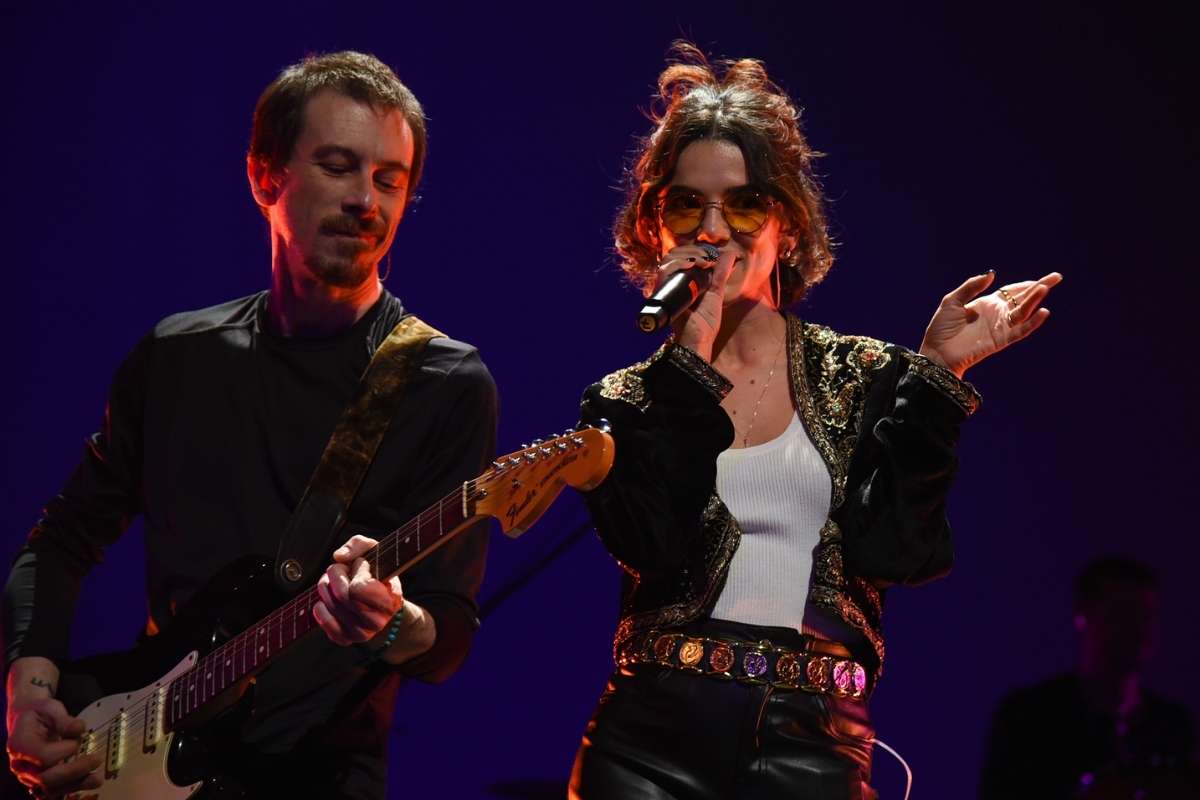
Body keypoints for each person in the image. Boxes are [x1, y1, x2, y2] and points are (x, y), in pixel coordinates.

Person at [568, 43, 1062, 799]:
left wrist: (936, 377)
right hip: (649, 743)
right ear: (654, 227)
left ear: (787, 227)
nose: (713, 229)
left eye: (742, 204)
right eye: (684, 205)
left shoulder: (863, 376)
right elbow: (654, 541)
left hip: (814, 741)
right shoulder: (628, 398)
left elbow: (899, 551)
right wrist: (690, 362)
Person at [2, 51, 497, 799]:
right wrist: (30, 687)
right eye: (338, 166)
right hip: (140, 755)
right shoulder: (178, 357)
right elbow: (63, 541)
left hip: (318, 777)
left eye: (390, 180)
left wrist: (397, 624)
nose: (368, 199)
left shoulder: (444, 384)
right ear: (266, 177)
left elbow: (448, 635)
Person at [980, 556, 1196, 799]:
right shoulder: (1028, 721)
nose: (1139, 627)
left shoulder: (1172, 728)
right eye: (1123, 612)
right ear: (1084, 615)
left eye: (1146, 614)